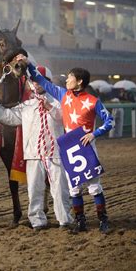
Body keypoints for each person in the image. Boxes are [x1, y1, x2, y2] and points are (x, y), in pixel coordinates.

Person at [22, 55, 114, 234]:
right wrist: (28, 64)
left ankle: (103, 220)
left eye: (70, 77)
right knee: (74, 188)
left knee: (94, 187)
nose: (67, 79)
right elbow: (39, 79)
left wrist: (94, 134)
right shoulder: (63, 95)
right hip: (69, 146)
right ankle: (80, 222)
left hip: (87, 146)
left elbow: (110, 121)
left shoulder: (93, 101)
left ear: (79, 81)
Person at [0, 67, 73, 231]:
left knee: (59, 188)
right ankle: (37, 221)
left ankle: (65, 220)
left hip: (55, 153)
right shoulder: (27, 105)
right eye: (33, 80)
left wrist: (50, 107)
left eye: (40, 80)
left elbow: (65, 119)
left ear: (47, 82)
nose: (36, 83)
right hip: (33, 154)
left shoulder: (59, 102)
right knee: (34, 189)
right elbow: (7, 117)